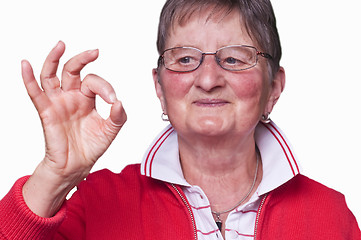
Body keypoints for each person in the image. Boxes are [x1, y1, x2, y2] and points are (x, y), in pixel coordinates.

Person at [0, 0, 360, 239]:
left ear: (274, 87)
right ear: (159, 86)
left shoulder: (330, 216)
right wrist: (54, 174)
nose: (207, 79)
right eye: (185, 59)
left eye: (234, 59)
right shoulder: (99, 202)